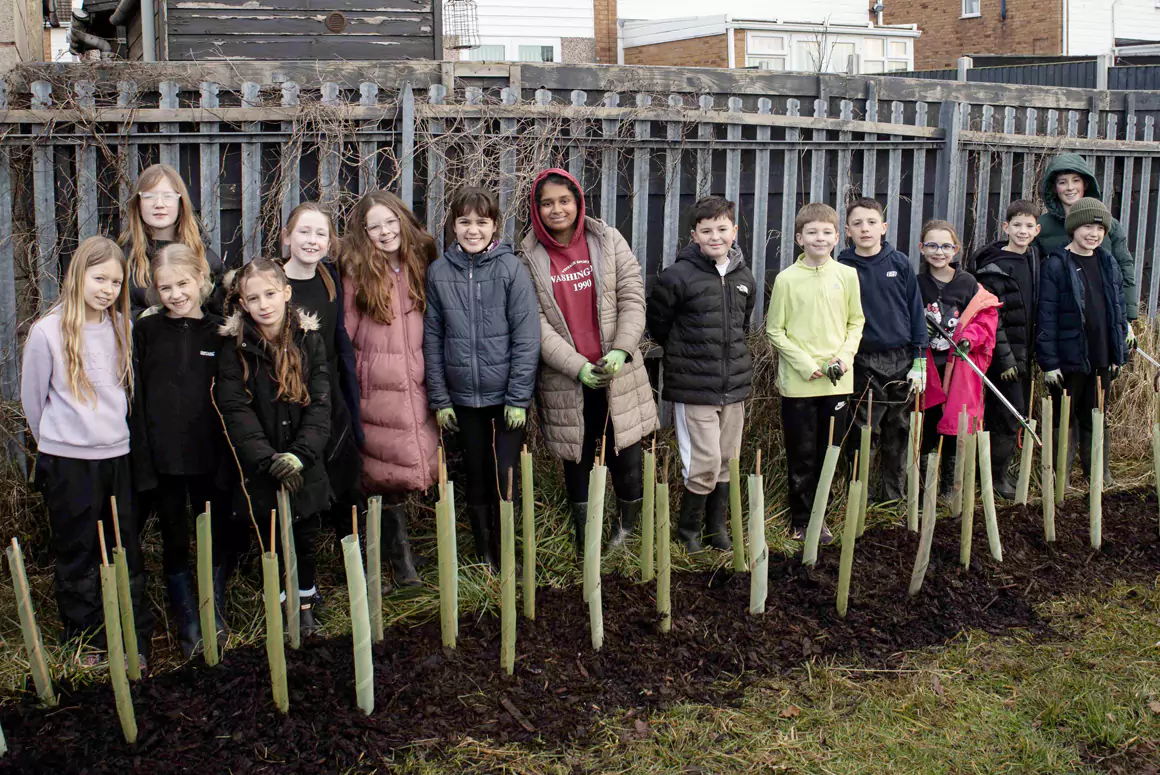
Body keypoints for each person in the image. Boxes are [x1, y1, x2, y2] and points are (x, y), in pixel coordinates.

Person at [21, 236, 154, 667]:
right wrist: (61, 441)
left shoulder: (122, 328)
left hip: (117, 458)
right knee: (77, 552)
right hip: (69, 463)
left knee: (124, 548)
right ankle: (85, 641)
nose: (107, 289)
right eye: (99, 279)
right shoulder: (48, 331)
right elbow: (33, 400)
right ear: (78, 275)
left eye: (115, 282)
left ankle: (132, 637)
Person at [520, 169, 657, 555]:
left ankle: (626, 534)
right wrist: (576, 366)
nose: (557, 209)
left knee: (625, 453)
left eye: (564, 200)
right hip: (567, 378)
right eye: (547, 203)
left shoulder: (608, 239)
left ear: (578, 202)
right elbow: (535, 323)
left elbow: (633, 296)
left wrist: (622, 349)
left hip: (618, 373)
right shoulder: (527, 256)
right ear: (536, 209)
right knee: (577, 458)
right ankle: (587, 536)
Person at [424, 187, 540, 570]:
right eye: (464, 222)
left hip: (506, 400)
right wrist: (441, 400)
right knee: (475, 476)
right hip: (463, 400)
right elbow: (433, 339)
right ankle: (484, 554)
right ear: (453, 226)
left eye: (481, 222)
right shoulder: (439, 273)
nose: (472, 230)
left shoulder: (511, 270)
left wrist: (518, 399)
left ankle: (508, 553)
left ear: (495, 226)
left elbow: (527, 338)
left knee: (505, 476)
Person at [214, 258, 332, 635]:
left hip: (303, 462)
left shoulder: (309, 340)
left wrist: (299, 456)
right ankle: (281, 602)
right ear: (243, 304)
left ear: (286, 292)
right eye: (254, 298)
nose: (264, 304)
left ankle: (306, 600)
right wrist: (268, 460)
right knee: (273, 538)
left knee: (305, 535)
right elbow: (236, 410)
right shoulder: (234, 348)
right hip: (262, 466)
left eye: (270, 294)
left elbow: (321, 404)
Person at [130, 244, 231, 658]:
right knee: (174, 536)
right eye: (165, 288)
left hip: (211, 455)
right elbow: (136, 398)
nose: (175, 294)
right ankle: (186, 616)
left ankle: (213, 608)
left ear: (201, 280)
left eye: (183, 284)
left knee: (216, 532)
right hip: (165, 458)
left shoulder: (221, 332)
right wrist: (143, 457)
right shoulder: (146, 332)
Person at [341, 191, 440, 585]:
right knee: (381, 474)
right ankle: (399, 564)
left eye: (390, 222)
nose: (384, 232)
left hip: (416, 383)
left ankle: (399, 554)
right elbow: (345, 333)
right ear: (363, 233)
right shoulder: (358, 272)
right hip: (376, 389)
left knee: (404, 467)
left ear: (403, 220)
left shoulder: (422, 262)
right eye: (374, 227)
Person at [648, 196, 756, 553]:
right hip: (694, 388)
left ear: (733, 231)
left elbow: (741, 324)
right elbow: (659, 325)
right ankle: (688, 532)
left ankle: (716, 529)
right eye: (706, 230)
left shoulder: (743, 276)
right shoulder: (677, 277)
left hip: (733, 386)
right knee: (703, 461)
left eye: (722, 229)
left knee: (726, 459)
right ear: (694, 235)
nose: (715, 237)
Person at [765, 203, 864, 542]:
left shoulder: (847, 276)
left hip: (837, 381)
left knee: (829, 453)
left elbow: (856, 322)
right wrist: (806, 365)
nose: (819, 238)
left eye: (826, 232)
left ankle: (821, 517)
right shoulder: (786, 280)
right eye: (812, 232)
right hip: (799, 383)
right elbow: (775, 330)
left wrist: (844, 358)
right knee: (802, 454)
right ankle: (801, 520)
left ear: (837, 237)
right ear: (799, 238)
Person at [280, 203, 365, 563]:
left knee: (346, 478)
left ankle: (354, 563)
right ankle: (298, 571)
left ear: (330, 243)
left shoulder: (330, 279)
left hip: (329, 396)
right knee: (301, 485)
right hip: (288, 399)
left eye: (320, 234)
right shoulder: (273, 282)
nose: (311, 240)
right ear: (287, 237)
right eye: (304, 231)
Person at [838, 198, 928, 503]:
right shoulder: (842, 267)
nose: (865, 229)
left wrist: (919, 360)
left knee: (898, 430)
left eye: (872, 222)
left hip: (900, 359)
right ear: (847, 230)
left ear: (884, 227)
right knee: (864, 431)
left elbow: (916, 312)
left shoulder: (899, 263)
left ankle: (893, 497)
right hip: (862, 361)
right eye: (858, 223)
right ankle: (859, 498)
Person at [1037, 197, 1129, 487]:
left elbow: (1117, 307)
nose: (1094, 234)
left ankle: (1098, 474)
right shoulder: (1056, 264)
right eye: (1087, 227)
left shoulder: (1107, 262)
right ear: (1074, 228)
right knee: (1064, 418)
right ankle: (1059, 479)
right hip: (1069, 357)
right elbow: (1046, 316)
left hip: (1101, 355)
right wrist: (1050, 363)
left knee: (1096, 415)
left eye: (1100, 229)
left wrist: (1119, 349)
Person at [917, 220, 999, 497]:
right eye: (932, 245)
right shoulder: (915, 284)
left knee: (956, 422)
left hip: (959, 367)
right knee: (928, 424)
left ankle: (951, 489)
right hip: (928, 367)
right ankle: (926, 488)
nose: (938, 252)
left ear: (956, 249)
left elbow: (985, 317)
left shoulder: (968, 284)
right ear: (921, 248)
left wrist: (969, 338)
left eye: (945, 246)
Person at [972, 200, 1043, 499]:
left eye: (1028, 226)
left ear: (1037, 230)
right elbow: (992, 318)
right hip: (1005, 359)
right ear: (1006, 228)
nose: (1022, 231)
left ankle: (1003, 469)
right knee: (1006, 414)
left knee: (1018, 412)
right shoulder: (993, 268)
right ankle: (994, 476)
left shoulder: (1034, 260)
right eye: (1017, 225)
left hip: (1027, 354)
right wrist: (1005, 360)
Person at [1036, 153, 1137, 346]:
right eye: (1063, 182)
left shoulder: (1108, 224)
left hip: (1102, 317)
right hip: (1063, 322)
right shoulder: (1042, 227)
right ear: (1054, 188)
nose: (1070, 187)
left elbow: (1124, 267)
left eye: (1076, 181)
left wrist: (1127, 317)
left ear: (1086, 184)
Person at [119, 163, 224, 319]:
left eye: (168, 196)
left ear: (180, 202)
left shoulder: (205, 257)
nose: (159, 204)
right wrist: (144, 317)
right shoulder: (123, 258)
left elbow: (222, 313)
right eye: (149, 196)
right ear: (138, 203)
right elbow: (112, 312)